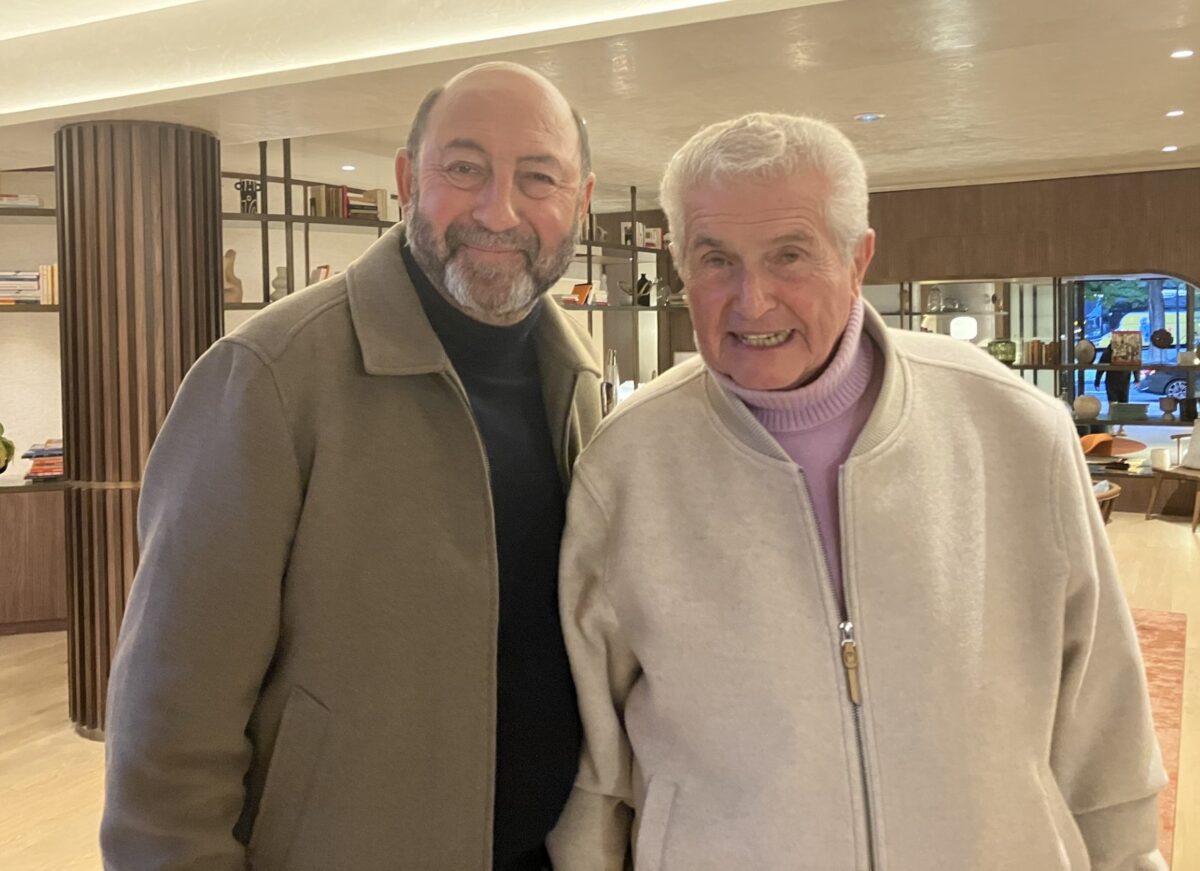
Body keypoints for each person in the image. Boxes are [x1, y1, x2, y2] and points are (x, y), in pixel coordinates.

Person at [548, 113, 1166, 870]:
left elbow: (1105, 722)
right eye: (716, 260)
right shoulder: (627, 465)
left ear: (858, 257)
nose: (753, 299)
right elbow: (595, 776)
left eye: (789, 256)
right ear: (679, 264)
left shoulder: (1013, 428)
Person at [102, 62, 600, 871]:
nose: (498, 210)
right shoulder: (269, 378)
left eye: (537, 177)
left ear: (579, 203)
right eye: (464, 168)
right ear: (408, 179)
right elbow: (170, 726)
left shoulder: (571, 382)